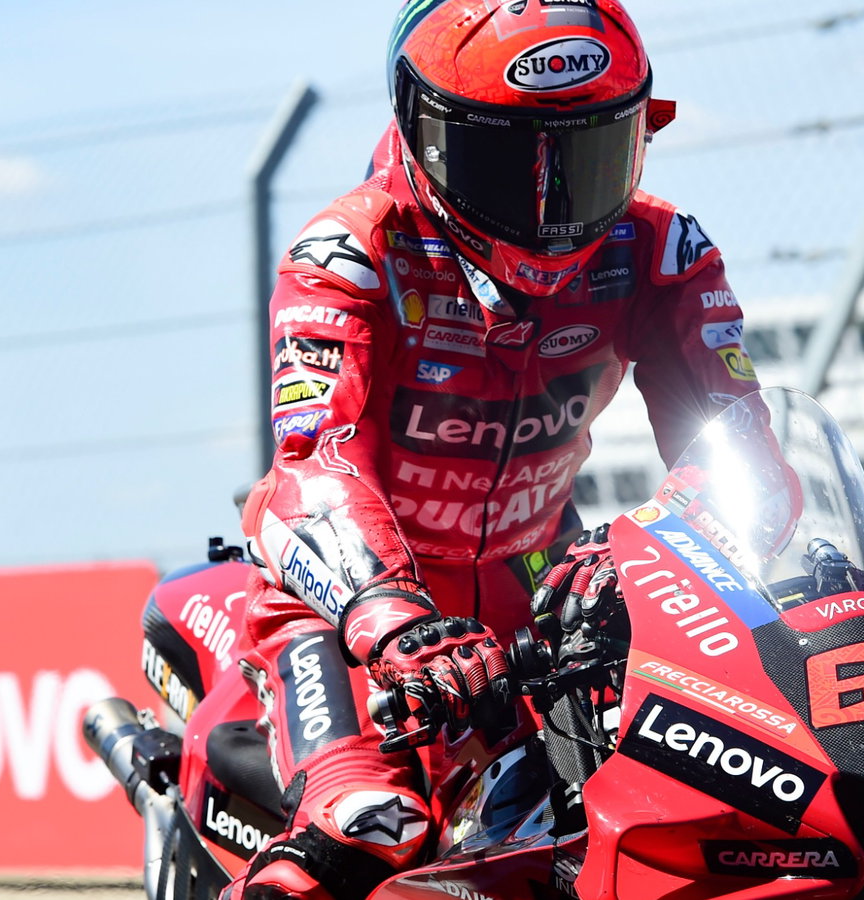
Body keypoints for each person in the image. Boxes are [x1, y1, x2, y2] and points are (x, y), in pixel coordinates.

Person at [224, 2, 761, 896]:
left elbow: (735, 445)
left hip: (538, 589)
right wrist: (393, 622)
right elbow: (315, 461)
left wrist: (689, 556)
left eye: (583, 158)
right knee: (367, 827)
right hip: (346, 614)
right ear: (422, 131)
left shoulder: (662, 249)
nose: (547, 205)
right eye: (504, 162)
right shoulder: (353, 251)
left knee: (685, 803)